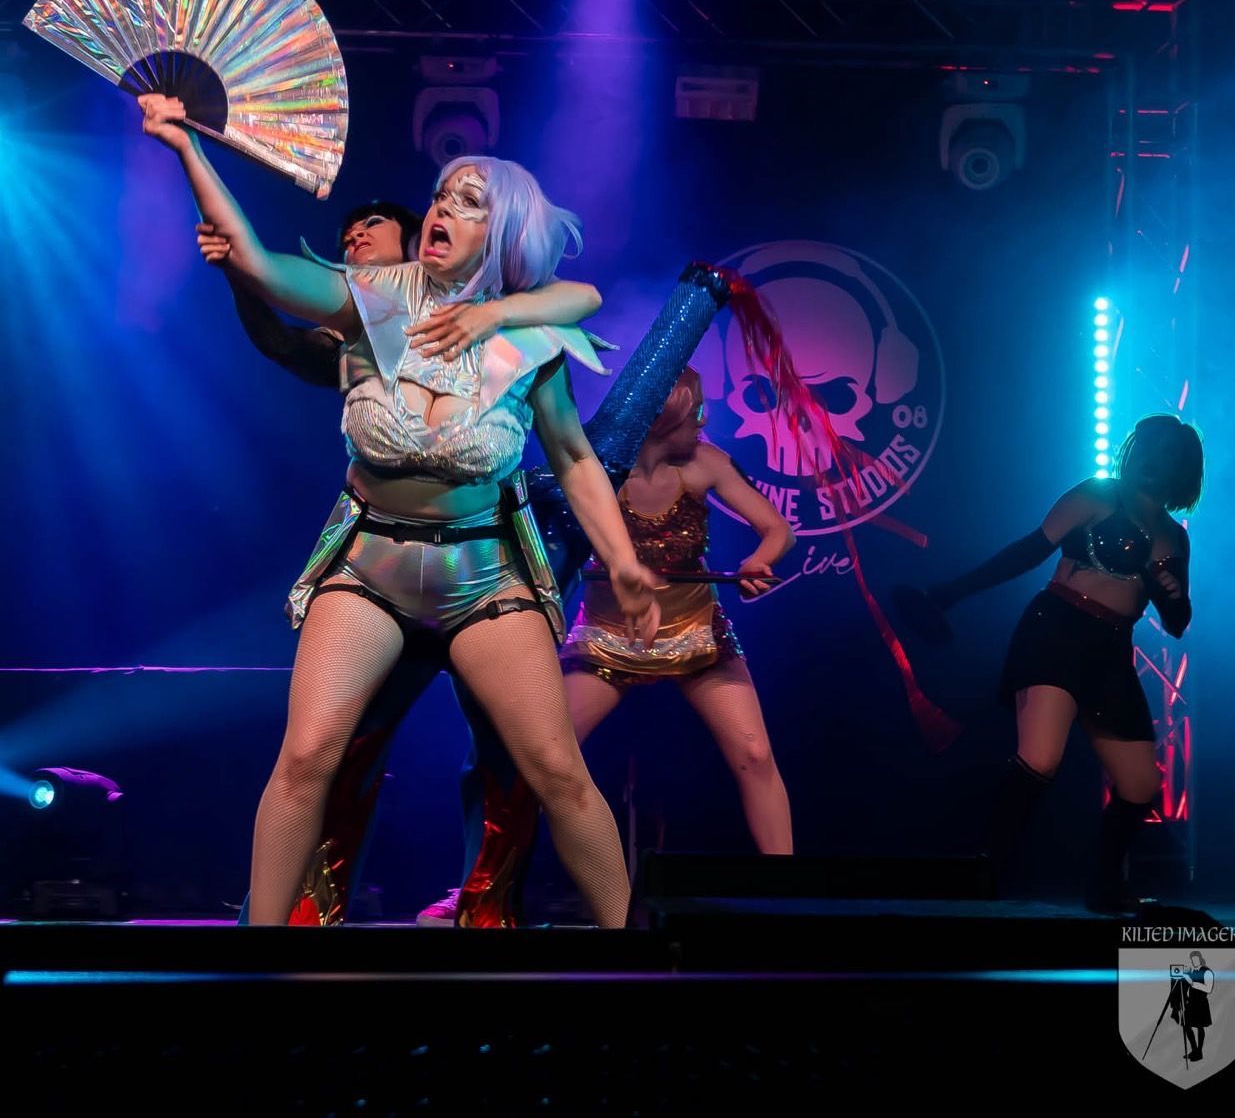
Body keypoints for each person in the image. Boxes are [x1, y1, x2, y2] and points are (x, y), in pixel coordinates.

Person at [137, 92, 659, 927]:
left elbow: (572, 454)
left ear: (504, 234)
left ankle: (645, 969)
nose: (443, 209)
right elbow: (259, 263)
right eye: (443, 195)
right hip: (371, 568)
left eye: (470, 203)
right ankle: (254, 961)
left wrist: (624, 562)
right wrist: (183, 147)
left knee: (557, 771)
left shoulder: (530, 337)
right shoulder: (370, 299)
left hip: (486, 575)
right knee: (307, 757)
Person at [196, 201, 604, 925]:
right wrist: (237, 268)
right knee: (324, 756)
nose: (353, 245)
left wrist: (493, 315)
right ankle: (290, 928)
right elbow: (280, 327)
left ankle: (495, 911)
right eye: (346, 240)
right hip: (373, 576)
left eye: (370, 234)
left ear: (419, 243)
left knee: (527, 764)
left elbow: (582, 303)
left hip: (483, 575)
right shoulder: (361, 318)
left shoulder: (508, 323)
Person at [895, 414, 1201, 912]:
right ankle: (982, 869)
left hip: (1110, 650)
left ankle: (1103, 887)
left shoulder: (1173, 538)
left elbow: (1178, 623)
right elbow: (1027, 551)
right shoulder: (1098, 494)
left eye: (1169, 453)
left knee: (1142, 783)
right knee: (1040, 757)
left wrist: (1171, 594)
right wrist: (949, 594)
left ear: (1183, 469)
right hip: (1056, 631)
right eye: (1148, 446)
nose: (1154, 459)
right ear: (1133, 449)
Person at [561, 368, 795, 853]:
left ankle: (787, 899)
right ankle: (486, 889)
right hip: (609, 635)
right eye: (698, 414)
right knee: (542, 757)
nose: (703, 424)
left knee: (755, 754)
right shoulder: (597, 472)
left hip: (696, 633)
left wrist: (759, 560)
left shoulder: (707, 463)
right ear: (661, 421)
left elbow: (778, 530)